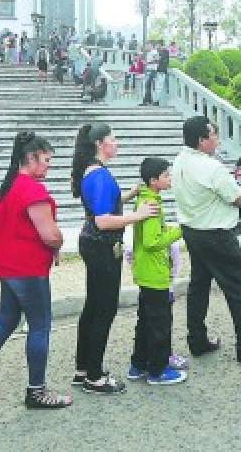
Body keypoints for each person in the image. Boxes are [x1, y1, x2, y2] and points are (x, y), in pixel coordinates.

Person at [0, 132, 72, 409]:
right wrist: (60, 241)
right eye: (46, 160)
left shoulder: (10, 185)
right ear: (31, 158)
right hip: (28, 268)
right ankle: (36, 390)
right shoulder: (33, 190)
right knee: (40, 325)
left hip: (8, 267)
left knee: (7, 320)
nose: (49, 166)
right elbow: (50, 236)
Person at [172, 116, 241, 365]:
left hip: (192, 229)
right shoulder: (211, 167)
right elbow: (238, 198)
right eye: (214, 136)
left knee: (198, 286)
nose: (217, 141)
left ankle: (197, 339)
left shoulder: (180, 160)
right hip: (217, 233)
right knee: (237, 290)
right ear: (202, 140)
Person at [69, 123, 154, 393]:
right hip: (103, 245)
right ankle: (95, 375)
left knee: (93, 307)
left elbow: (102, 206)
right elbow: (104, 220)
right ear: (99, 144)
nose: (116, 143)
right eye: (113, 139)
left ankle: (83, 368)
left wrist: (127, 195)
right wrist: (138, 215)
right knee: (104, 309)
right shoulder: (99, 176)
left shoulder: (92, 172)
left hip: (93, 243)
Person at [125, 157, 187, 385]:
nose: (170, 179)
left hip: (146, 271)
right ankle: (158, 370)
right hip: (154, 273)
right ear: (154, 180)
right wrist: (180, 231)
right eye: (166, 175)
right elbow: (152, 241)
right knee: (160, 324)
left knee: (145, 322)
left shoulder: (146, 198)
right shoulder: (151, 204)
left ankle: (138, 364)